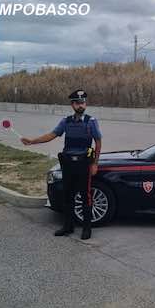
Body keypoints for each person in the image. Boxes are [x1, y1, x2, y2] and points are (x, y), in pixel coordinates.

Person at [21, 89, 102, 239]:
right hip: (68, 164)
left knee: (86, 196)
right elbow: (52, 135)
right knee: (68, 196)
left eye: (83, 102)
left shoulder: (91, 122)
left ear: (86, 103)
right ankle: (68, 226)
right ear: (72, 105)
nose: (81, 105)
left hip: (84, 164)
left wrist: (95, 164)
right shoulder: (66, 121)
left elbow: (98, 142)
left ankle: (87, 228)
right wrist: (33, 141)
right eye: (77, 103)